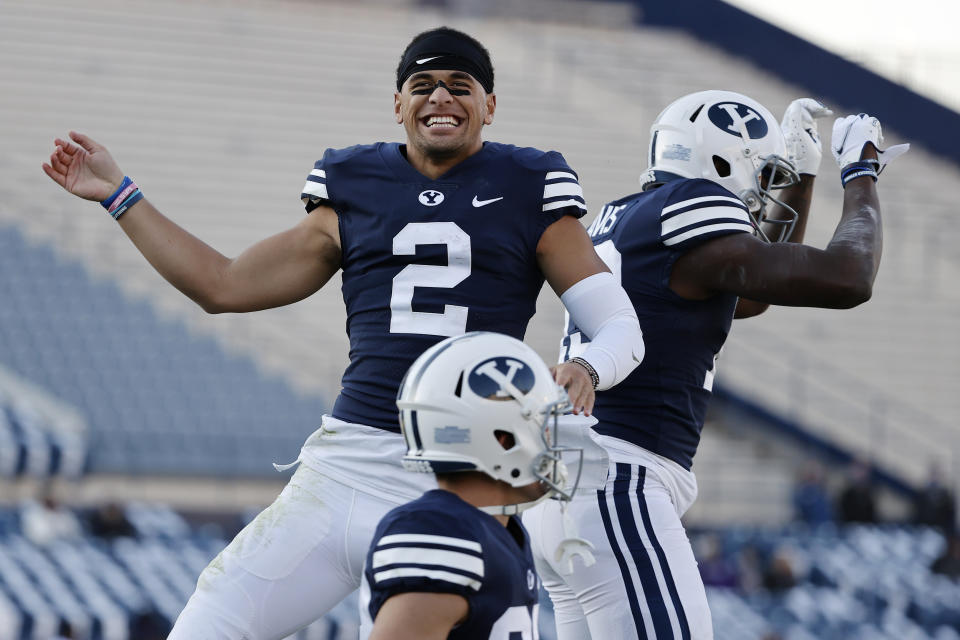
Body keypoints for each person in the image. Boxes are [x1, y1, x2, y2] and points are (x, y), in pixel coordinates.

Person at [42, 26, 644, 639]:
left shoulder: (528, 185)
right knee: (211, 623)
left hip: (465, 476)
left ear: (489, 106)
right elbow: (221, 284)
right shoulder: (355, 185)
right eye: (423, 85)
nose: (440, 98)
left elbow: (620, 324)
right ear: (397, 104)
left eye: (460, 87)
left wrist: (589, 367)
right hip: (347, 469)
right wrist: (120, 195)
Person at [523, 90, 908, 639]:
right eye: (764, 172)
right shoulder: (694, 206)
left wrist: (801, 174)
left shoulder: (629, 216)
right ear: (723, 160)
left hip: (570, 485)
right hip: (617, 478)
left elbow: (750, 294)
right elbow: (850, 278)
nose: (763, 190)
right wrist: (862, 173)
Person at [362, 331, 584, 639]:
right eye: (543, 426)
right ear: (503, 439)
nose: (551, 442)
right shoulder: (440, 531)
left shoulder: (501, 530)